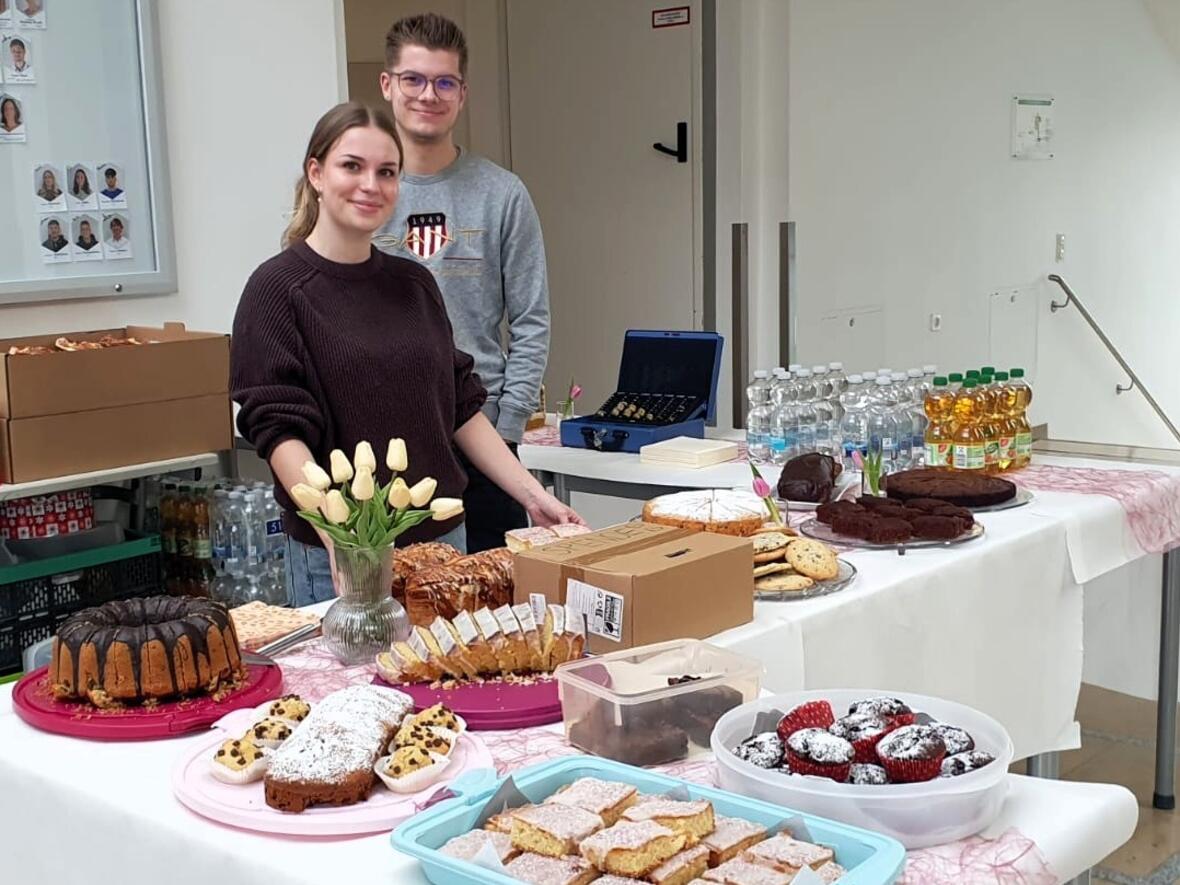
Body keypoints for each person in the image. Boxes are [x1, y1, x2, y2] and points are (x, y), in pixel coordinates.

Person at [231, 101, 583, 606]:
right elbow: (279, 430)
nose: (370, 184)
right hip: (349, 551)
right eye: (352, 166)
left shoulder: (414, 284)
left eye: (387, 172)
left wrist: (533, 496)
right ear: (316, 173)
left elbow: (461, 407)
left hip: (445, 545)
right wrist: (341, 537)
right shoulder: (277, 290)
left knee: (449, 682)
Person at [374, 14, 550, 553]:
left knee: (493, 610)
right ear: (388, 85)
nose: (429, 95)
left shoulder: (501, 193)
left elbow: (531, 318)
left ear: (462, 93)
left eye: (444, 82)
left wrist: (508, 425)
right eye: (414, 79)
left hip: (483, 438)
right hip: (382, 445)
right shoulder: (362, 193)